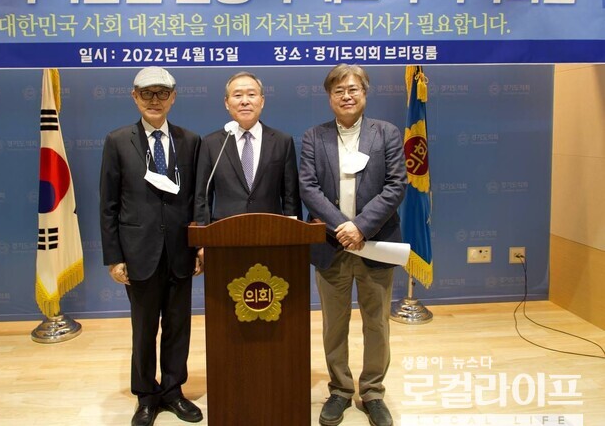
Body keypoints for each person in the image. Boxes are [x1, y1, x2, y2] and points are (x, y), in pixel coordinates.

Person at [299, 64, 407, 426]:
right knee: (334, 323)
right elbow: (308, 187)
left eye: (353, 89)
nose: (346, 96)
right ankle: (340, 390)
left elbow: (396, 185)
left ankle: (373, 391)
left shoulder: (386, 133)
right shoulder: (314, 136)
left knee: (376, 322)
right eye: (338, 90)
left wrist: (360, 226)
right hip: (332, 246)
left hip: (376, 242)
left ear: (365, 92)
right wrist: (342, 227)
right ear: (329, 96)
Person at [100, 67, 203, 426]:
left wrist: (199, 245)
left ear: (173, 97)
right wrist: (114, 257)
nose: (154, 100)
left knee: (178, 326)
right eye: (147, 93)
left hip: (180, 252)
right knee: (144, 329)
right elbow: (108, 204)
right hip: (138, 253)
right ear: (135, 97)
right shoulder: (117, 141)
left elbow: (197, 199)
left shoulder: (190, 141)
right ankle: (146, 395)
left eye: (162, 93)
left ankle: (173, 391)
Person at [194, 71, 302, 225]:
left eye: (251, 95)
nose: (245, 101)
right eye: (237, 95)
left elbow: (290, 197)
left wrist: (293, 233)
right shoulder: (211, 143)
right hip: (224, 232)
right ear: (226, 103)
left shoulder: (282, 142)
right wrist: (202, 235)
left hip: (272, 231)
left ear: (262, 101)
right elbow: (202, 197)